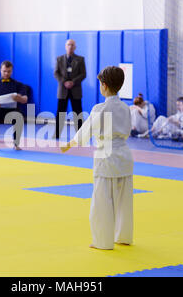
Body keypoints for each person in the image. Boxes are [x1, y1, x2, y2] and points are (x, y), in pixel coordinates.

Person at [61, 66, 133, 250]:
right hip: (124, 155)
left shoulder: (100, 108)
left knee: (102, 201)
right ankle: (123, 236)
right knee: (124, 200)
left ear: (104, 85)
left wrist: (69, 143)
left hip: (106, 156)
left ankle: (102, 241)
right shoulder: (126, 108)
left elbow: (86, 131)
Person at [0, 61, 28, 151]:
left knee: (19, 116)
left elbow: (25, 99)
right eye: (4, 71)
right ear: (0, 70)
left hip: (12, 111)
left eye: (9, 71)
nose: (6, 73)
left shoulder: (18, 84)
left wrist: (18, 98)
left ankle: (16, 144)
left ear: (12, 71)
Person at [54, 39, 87, 139]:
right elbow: (56, 73)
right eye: (68, 45)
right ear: (65, 46)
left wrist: (73, 82)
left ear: (75, 47)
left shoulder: (80, 59)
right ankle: (57, 133)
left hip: (75, 89)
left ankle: (80, 134)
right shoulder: (59, 59)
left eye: (72, 45)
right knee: (60, 112)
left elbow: (83, 74)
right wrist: (64, 82)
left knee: (78, 112)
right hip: (62, 90)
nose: (70, 47)